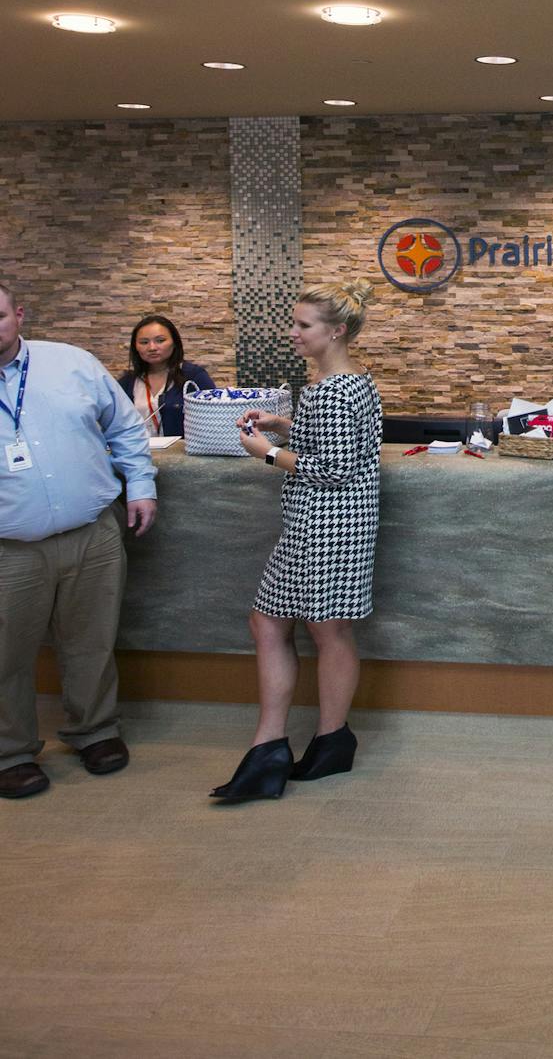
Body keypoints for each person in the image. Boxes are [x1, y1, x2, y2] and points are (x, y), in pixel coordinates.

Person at [209, 280, 382, 804]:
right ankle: (294, 744)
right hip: (326, 523)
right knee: (276, 621)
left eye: (303, 325)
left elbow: (330, 468)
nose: (294, 333)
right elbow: (340, 443)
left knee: (322, 631)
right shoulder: (352, 382)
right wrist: (286, 423)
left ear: (336, 330)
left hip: (328, 524)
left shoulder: (332, 390)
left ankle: (312, 743)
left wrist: (264, 451)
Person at [0, 276, 157, 799]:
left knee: (90, 641)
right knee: (6, 655)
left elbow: (126, 428)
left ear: (19, 315)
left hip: (93, 533)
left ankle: (95, 731)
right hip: (9, 549)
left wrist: (140, 485)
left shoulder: (71, 362)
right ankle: (11, 752)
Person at [118, 313, 214, 439]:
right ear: (135, 347)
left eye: (160, 341)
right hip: (138, 454)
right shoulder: (127, 382)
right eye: (144, 342)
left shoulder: (194, 377)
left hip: (183, 455)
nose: (152, 347)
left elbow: (214, 417)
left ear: (174, 343)